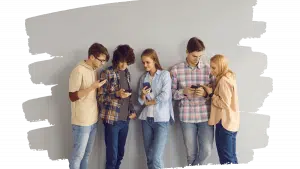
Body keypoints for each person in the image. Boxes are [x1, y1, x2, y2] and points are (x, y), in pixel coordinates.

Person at [169, 37, 215, 167]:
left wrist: (205, 93)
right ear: (187, 52)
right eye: (195, 56)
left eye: (200, 56)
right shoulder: (176, 70)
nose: (198, 59)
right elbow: (170, 95)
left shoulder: (208, 69)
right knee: (191, 154)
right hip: (186, 117)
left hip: (205, 116)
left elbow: (215, 92)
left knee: (206, 150)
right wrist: (183, 92)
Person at [68, 42, 109, 169]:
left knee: (86, 155)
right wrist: (92, 87)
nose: (102, 63)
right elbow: (72, 96)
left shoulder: (93, 70)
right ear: (92, 57)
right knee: (77, 156)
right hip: (81, 122)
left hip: (93, 119)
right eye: (101, 60)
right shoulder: (78, 70)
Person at [97, 44, 137, 169]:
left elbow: (128, 95)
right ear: (116, 59)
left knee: (120, 154)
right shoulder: (106, 73)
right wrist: (116, 94)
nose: (124, 65)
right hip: (112, 120)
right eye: (122, 62)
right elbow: (100, 98)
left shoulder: (127, 73)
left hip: (125, 120)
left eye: (127, 63)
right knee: (112, 157)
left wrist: (132, 110)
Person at [137, 48, 175, 169]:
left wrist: (150, 102)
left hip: (161, 120)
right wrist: (143, 95)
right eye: (143, 62)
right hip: (146, 119)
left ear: (154, 60)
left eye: (147, 62)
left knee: (156, 157)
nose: (145, 65)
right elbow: (140, 101)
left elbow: (165, 95)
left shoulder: (165, 74)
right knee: (149, 156)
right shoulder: (143, 78)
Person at [201, 54, 240, 166]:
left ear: (221, 67)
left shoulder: (224, 81)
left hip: (224, 123)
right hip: (230, 122)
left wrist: (211, 94)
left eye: (214, 68)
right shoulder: (229, 77)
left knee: (226, 158)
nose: (211, 70)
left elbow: (224, 103)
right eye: (211, 67)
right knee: (231, 157)